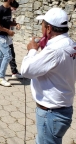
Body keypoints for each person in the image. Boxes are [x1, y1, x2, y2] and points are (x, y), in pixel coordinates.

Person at [21, 8, 76, 144]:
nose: (41, 27)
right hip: (63, 109)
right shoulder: (70, 44)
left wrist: (32, 50)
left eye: (42, 24)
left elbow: (26, 70)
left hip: (51, 114)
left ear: (48, 28)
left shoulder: (54, 50)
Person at [0, 0, 19, 87]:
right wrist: (8, 31)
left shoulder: (8, 10)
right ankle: (1, 77)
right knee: (8, 55)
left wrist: (15, 24)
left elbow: (7, 22)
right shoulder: (0, 10)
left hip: (4, 36)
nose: (14, 0)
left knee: (1, 56)